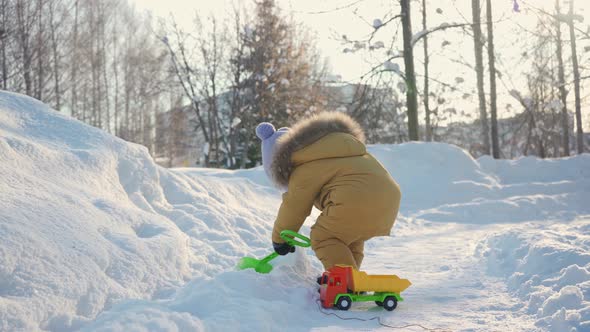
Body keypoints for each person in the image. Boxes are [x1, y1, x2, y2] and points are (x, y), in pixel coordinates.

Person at [255, 111, 401, 271]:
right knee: (347, 238)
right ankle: (349, 278)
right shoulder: (344, 148)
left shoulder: (304, 167)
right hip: (389, 200)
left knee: (323, 237)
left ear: (281, 164)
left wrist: (280, 239)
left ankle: (345, 284)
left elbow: (295, 206)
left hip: (355, 200)